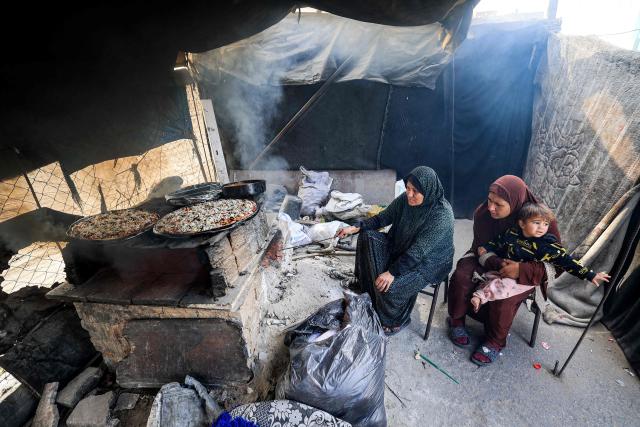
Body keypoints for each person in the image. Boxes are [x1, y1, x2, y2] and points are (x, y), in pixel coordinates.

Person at [447, 175, 559, 366]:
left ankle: (495, 341)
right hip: (488, 259)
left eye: (498, 204)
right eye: (490, 200)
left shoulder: (540, 220)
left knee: (504, 296)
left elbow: (555, 263)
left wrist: (520, 269)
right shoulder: (484, 213)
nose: (491, 207)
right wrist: (496, 263)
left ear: (515, 203)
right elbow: (481, 247)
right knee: (462, 275)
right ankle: (456, 319)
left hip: (524, 269)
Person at [336, 166, 454, 336]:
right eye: (408, 189)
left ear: (428, 191)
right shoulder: (405, 199)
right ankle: (366, 287)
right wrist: (356, 227)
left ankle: (396, 321)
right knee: (366, 236)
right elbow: (383, 217)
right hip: (401, 246)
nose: (409, 194)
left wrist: (391, 272)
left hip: (428, 263)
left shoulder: (441, 215)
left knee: (391, 288)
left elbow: (418, 252)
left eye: (415, 191)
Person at [470, 202, 610, 312]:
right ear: (522, 223)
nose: (542, 227)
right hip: (506, 269)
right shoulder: (512, 234)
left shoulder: (547, 244)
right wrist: (487, 248)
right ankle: (483, 292)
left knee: (505, 285)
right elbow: (498, 241)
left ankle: (480, 297)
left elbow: (567, 261)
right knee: (489, 274)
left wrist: (590, 275)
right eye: (537, 223)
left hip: (524, 278)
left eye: (546, 224)